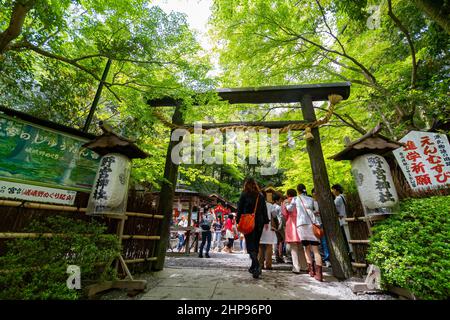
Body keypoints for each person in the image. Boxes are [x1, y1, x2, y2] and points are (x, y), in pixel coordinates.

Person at [287, 184, 323, 282]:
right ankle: (319, 274)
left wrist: (287, 203)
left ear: (297, 191)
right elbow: (316, 210)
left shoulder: (295, 199)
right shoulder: (311, 199)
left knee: (306, 248)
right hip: (312, 224)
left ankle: (311, 271)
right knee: (315, 250)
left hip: (301, 225)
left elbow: (289, 209)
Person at [237, 178, 269, 279]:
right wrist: (266, 221)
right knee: (255, 244)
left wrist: (238, 220)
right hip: (259, 222)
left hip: (248, 221)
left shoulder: (244, 194)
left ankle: (257, 266)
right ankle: (253, 267)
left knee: (250, 245)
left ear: (246, 185)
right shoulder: (260, 195)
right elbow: (264, 209)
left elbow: (240, 209)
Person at [283, 189, 308, 274]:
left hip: (291, 224)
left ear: (287, 194)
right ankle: (304, 266)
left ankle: (296, 267)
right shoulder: (299, 200)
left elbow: (284, 214)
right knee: (301, 246)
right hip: (300, 223)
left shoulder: (286, 201)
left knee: (293, 247)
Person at [331, 184, 353, 260]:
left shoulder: (338, 199)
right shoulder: (344, 196)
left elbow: (333, 208)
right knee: (349, 237)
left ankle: (351, 254)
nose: (333, 192)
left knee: (347, 238)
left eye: (333, 190)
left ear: (336, 190)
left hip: (343, 220)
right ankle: (352, 253)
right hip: (347, 219)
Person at [311, 188, 331, 267]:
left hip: (322, 223)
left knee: (324, 242)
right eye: (314, 193)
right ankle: (318, 259)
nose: (315, 194)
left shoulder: (322, 202)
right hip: (314, 224)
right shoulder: (311, 202)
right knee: (316, 243)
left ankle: (326, 259)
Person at [258, 191, 277, 270]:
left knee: (260, 245)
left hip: (259, 227)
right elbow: (275, 215)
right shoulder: (270, 205)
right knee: (269, 245)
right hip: (268, 227)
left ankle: (260, 264)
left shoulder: (256, 206)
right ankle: (268, 265)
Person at [272, 193, 286, 263]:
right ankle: (279, 257)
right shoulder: (278, 207)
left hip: (273, 226)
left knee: (275, 241)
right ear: (277, 200)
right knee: (280, 241)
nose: (281, 201)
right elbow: (281, 217)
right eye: (280, 199)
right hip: (279, 226)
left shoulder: (272, 206)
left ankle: (277, 256)